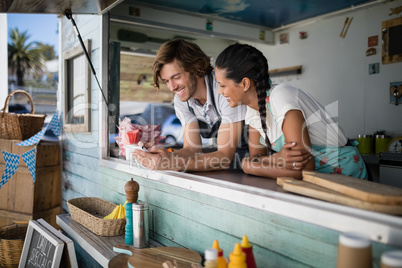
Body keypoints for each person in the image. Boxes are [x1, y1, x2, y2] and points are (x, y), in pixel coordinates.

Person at [134, 39, 310, 171]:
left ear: (195, 67)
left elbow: (224, 156)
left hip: (267, 166)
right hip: (251, 167)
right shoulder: (182, 101)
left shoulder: (228, 92)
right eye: (166, 81)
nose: (172, 87)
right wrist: (165, 156)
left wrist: (172, 163)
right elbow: (192, 149)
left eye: (176, 77)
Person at [214, 43, 368, 179]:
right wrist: (272, 159)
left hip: (345, 177)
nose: (220, 92)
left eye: (222, 85)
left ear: (245, 83)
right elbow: (257, 159)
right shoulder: (252, 111)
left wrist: (250, 165)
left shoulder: (282, 97)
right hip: (314, 184)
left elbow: (304, 171)